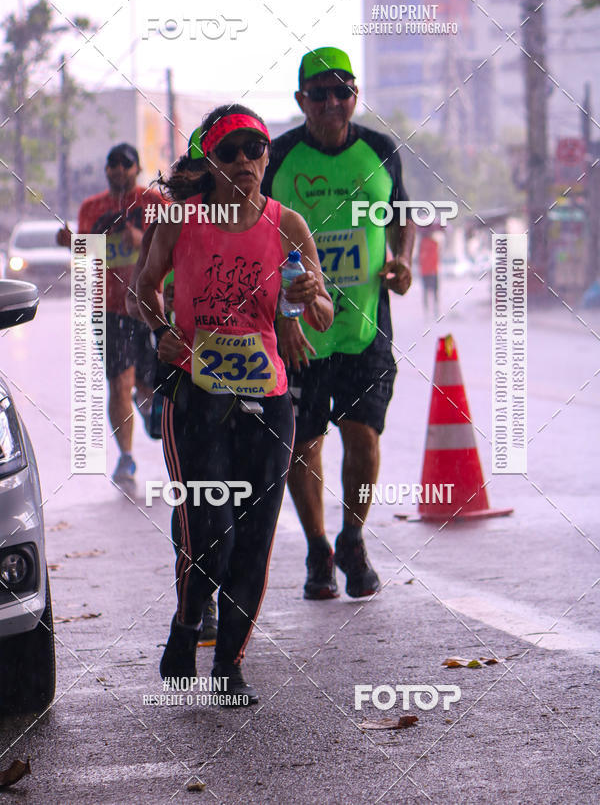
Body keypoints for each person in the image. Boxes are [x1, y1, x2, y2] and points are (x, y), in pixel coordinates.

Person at [137, 106, 333, 704]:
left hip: (267, 400)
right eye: (231, 152)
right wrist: (161, 331)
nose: (246, 161)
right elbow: (144, 289)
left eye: (256, 149)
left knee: (253, 538)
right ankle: (188, 622)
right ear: (210, 164)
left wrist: (308, 298)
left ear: (267, 157)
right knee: (212, 530)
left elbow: (321, 312)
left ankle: (228, 668)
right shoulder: (180, 223)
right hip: (196, 395)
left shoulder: (288, 225)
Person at [262, 46, 415, 601]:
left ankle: (352, 537)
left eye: (342, 91)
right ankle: (318, 549)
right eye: (319, 94)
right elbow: (259, 240)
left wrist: (403, 262)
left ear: (355, 95)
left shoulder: (379, 150)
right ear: (300, 99)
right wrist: (282, 317)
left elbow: (402, 217)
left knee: (364, 437)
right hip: (298, 332)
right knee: (304, 445)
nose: (332, 103)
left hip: (365, 328)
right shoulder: (276, 158)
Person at [57, 143, 166, 495]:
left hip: (152, 306)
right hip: (109, 309)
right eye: (112, 164)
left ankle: (147, 405)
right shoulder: (92, 207)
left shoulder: (154, 204)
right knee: (119, 382)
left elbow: (175, 244)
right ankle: (127, 455)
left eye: (125, 164)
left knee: (148, 387)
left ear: (137, 169)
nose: (118, 169)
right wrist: (70, 242)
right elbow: (86, 250)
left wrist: (142, 239)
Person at [418, 228, 440, 315]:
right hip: (433, 271)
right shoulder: (434, 243)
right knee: (434, 292)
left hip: (425, 271)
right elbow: (437, 257)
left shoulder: (421, 244)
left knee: (426, 292)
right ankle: (435, 309)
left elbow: (419, 259)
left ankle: (427, 310)